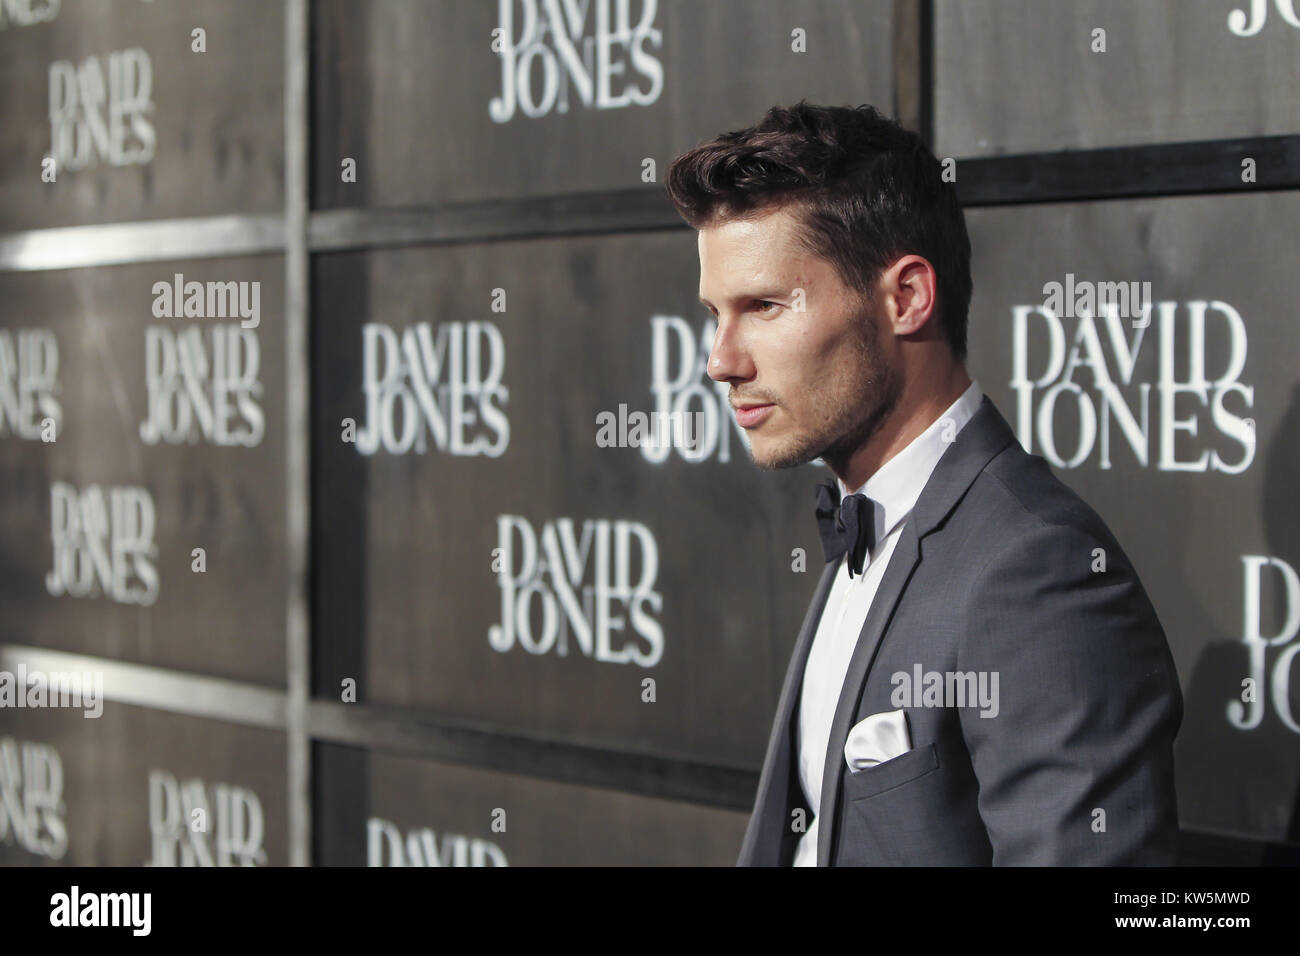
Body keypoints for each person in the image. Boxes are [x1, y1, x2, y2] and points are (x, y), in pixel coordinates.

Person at [665, 101, 1183, 865]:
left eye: (765, 307)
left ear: (905, 297)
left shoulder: (1039, 573)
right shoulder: (864, 522)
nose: (720, 359)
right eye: (715, 314)